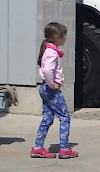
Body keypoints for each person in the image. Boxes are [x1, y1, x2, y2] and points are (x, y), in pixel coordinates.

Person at [31, 21, 78, 159]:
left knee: (47, 118)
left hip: (44, 88)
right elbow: (47, 70)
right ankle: (64, 149)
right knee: (65, 117)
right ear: (57, 37)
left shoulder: (47, 50)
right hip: (51, 90)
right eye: (64, 36)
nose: (65, 38)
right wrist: (52, 84)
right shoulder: (52, 52)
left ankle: (38, 147)